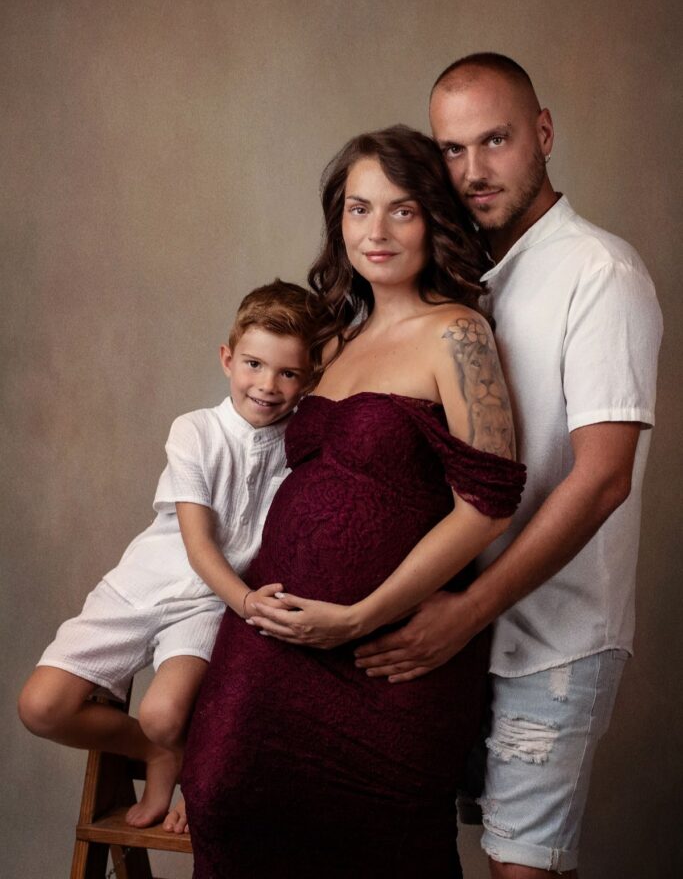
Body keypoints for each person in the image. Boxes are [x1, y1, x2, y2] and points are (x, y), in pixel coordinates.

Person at [347, 54, 663, 877]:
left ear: (543, 133)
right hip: (454, 629)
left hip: (552, 634)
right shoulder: (460, 275)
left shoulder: (599, 272)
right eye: (451, 149)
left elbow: (603, 477)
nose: (473, 171)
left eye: (495, 140)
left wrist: (467, 610)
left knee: (520, 870)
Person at [181, 125, 526, 878]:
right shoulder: (332, 338)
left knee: (380, 843)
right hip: (271, 641)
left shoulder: (458, 335)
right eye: (358, 208)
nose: (376, 232)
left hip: (385, 655)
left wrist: (361, 616)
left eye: (401, 210)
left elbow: (488, 505)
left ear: (434, 218)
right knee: (222, 798)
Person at [18, 280, 318, 829]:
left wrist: (238, 606)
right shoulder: (194, 431)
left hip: (209, 606)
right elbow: (198, 544)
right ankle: (153, 751)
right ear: (227, 359)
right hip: (146, 586)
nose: (267, 385)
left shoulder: (301, 446)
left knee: (162, 714)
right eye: (253, 364)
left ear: (310, 379)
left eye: (289, 373)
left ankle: (177, 755)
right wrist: (248, 603)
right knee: (41, 707)